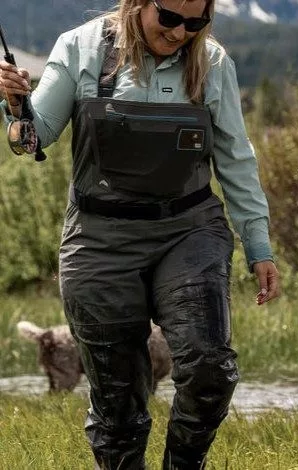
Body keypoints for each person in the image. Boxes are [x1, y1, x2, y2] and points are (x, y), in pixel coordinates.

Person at [0, 0, 281, 468]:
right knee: (117, 406)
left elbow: (236, 160)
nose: (180, 33)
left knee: (210, 367)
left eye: (196, 23)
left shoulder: (212, 63)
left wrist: (259, 246)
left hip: (188, 230)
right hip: (99, 238)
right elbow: (32, 139)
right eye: (169, 18)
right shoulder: (79, 48)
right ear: (138, 4)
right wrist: (14, 108)